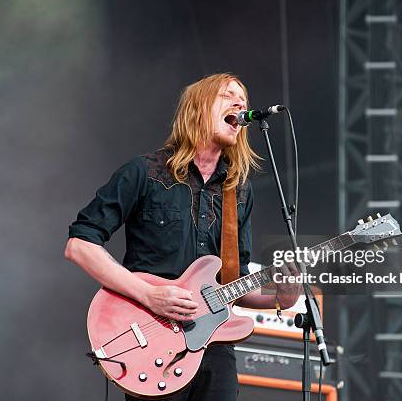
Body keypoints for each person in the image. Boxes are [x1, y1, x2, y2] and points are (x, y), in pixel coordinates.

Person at [64, 73, 300, 401]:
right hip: (150, 339)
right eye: (228, 95)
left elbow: (235, 283)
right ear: (197, 109)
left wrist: (280, 299)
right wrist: (149, 295)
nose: (241, 103)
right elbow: (79, 245)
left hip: (214, 349)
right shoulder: (144, 172)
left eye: (243, 99)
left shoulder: (237, 191)